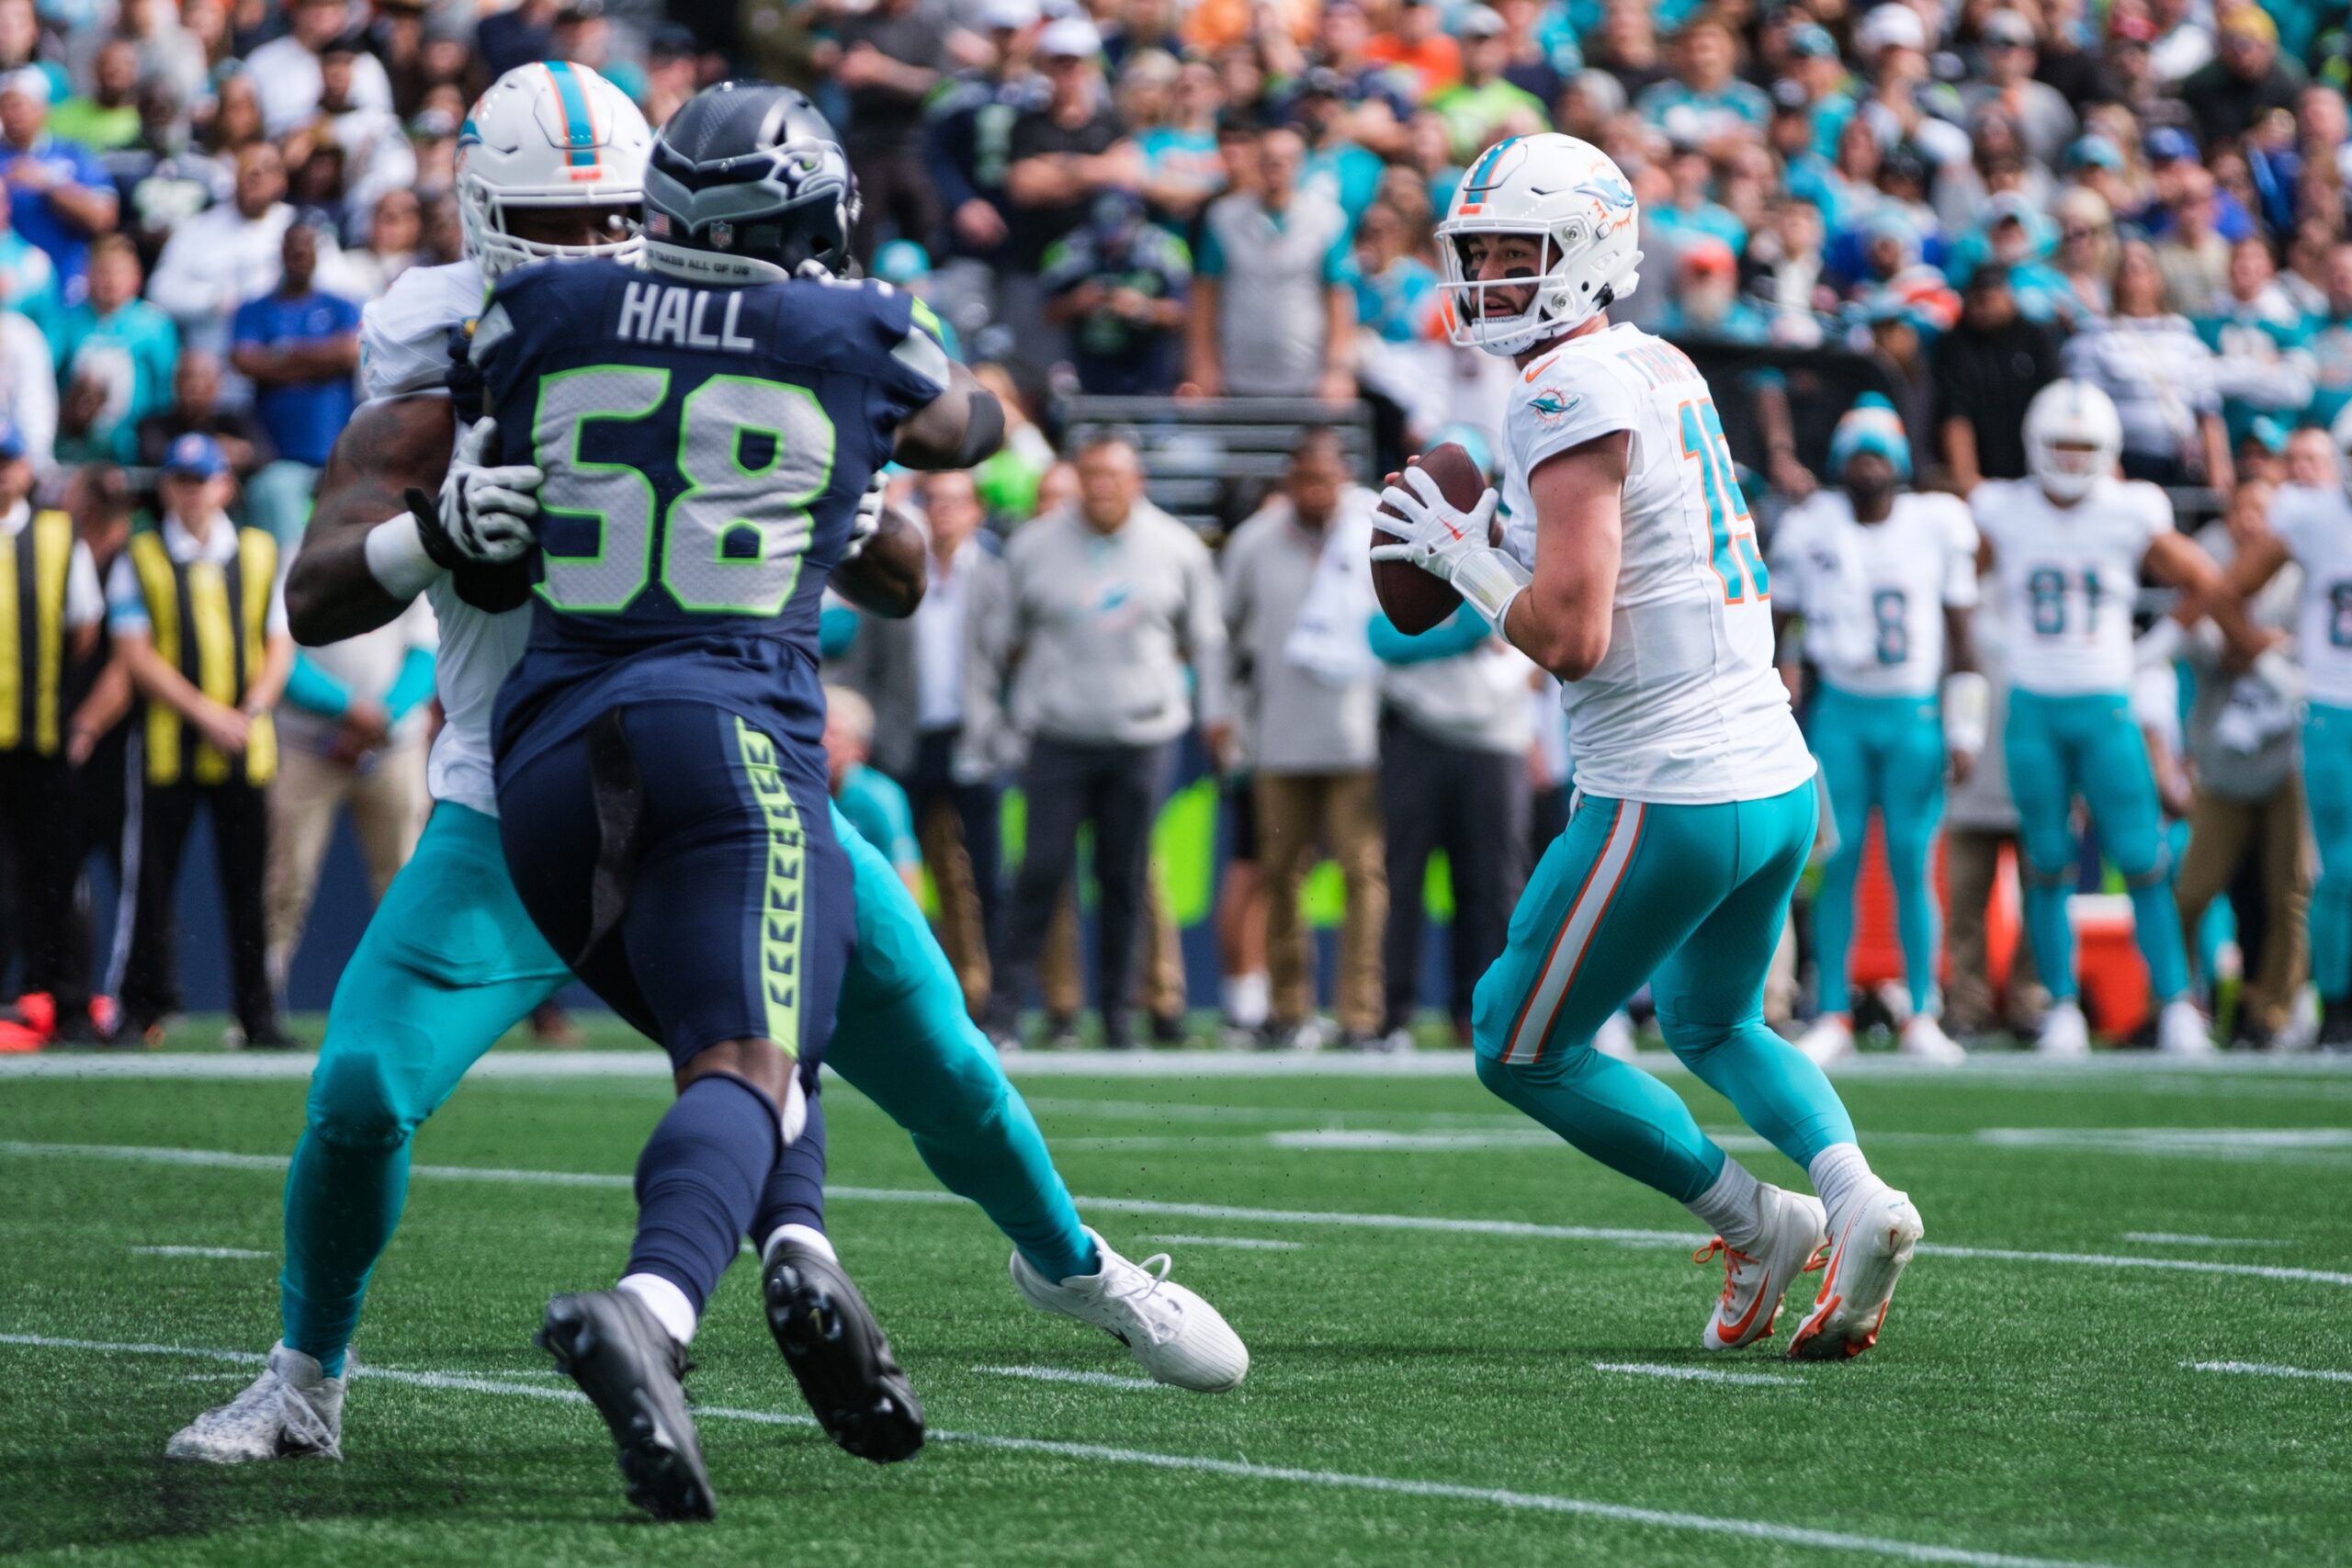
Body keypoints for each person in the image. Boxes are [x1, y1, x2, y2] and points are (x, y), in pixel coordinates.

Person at [476, 83, 1246, 1517]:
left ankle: (810, 1256)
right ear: (814, 216)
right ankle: (654, 1303)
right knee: (756, 1061)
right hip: (729, 741)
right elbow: (967, 429)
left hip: (546, 769)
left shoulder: (544, 312)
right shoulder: (852, 327)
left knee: (760, 1035)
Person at [1372, 132, 1921, 1360]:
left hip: (1663, 787)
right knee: (1716, 1019)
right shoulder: (1657, 362)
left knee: (1518, 1038)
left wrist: (1458, 556)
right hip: (1775, 773)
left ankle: (1758, 1220)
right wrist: (1485, 537)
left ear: (1594, 252)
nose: (1495, 277)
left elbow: (1570, 634)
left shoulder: (1561, 389)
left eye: (1524, 252)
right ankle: (1855, 1196)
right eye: (1483, 252)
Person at [1970, 380, 2245, 1056]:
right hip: (2032, 706)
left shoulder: (2130, 509)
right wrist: (1990, 632)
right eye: (2059, 445)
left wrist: (2158, 645)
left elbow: (2208, 579)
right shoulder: (2003, 509)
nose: (2069, 459)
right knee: (2047, 860)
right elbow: (1958, 583)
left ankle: (2177, 1002)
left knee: (2143, 854)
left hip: (2105, 701)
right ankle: (2062, 1005)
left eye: (2083, 447)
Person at [988, 435, 1227, 1050]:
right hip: (1058, 732)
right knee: (1039, 871)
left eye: (1113, 474)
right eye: (1090, 473)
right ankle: (1008, 1009)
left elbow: (1205, 639)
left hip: (1143, 733)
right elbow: (1004, 643)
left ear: (1136, 480)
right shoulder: (1033, 544)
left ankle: (1120, 1012)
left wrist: (1217, 717)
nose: (1101, 485)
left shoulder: (1176, 547)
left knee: (1125, 877)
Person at [1771, 399, 1981, 1065]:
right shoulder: (1812, 525)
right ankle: (1831, 1007)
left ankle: (1922, 1009)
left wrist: (1966, 725)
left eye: (1878, 453)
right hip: (1840, 713)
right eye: (1857, 453)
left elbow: (1963, 637)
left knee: (1913, 862)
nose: (1868, 465)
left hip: (1913, 713)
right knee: (1838, 861)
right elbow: (1778, 627)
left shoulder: (1935, 523)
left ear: (1897, 461)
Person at [103, 433, 293, 1048]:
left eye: (202, 478)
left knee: (249, 889)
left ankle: (257, 1015)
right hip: (169, 748)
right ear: (166, 488)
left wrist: (254, 706)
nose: (191, 491)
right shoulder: (143, 555)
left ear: (225, 485)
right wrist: (209, 713)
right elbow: (136, 653)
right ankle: (141, 1008)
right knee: (152, 887)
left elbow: (279, 642)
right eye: (181, 480)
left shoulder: (261, 552)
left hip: (246, 744)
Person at [1220, 429, 1386, 1049]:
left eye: (1327, 478)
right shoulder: (1254, 543)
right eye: (1306, 479)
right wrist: (1221, 714)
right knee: (1281, 873)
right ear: (1290, 482)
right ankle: (1289, 1008)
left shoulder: (1372, 531)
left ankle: (1360, 1013)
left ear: (1342, 478)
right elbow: (1221, 635)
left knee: (1363, 874)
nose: (1317, 490)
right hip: (1280, 739)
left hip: (1356, 738)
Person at [2158, 479, 2307, 1047]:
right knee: (2193, 889)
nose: (2251, 521)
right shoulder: (2211, 566)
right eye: (2243, 508)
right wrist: (2254, 643)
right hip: (2224, 759)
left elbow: (2313, 651)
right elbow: (2199, 641)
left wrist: (2254, 645)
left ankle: (2273, 1010)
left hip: (2289, 754)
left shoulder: (2301, 565)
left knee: (2288, 891)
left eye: (2262, 511)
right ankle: (2176, 999)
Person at [2220, 406, 2352, 1046]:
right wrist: (2272, 663)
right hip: (2332, 707)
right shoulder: (2313, 516)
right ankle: (2337, 1006)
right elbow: (2229, 589)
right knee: (2341, 869)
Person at [263, 592, 434, 1002]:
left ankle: (407, 1005)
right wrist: (346, 709)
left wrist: (380, 719)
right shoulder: (293, 562)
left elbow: (426, 655)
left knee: (404, 884)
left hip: (395, 748)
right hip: (308, 746)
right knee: (285, 882)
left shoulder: (409, 555)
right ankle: (261, 1006)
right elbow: (278, 655)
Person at [0, 420, 103, 1042]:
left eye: (8, 462)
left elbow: (83, 626)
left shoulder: (58, 536)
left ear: (27, 470)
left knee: (54, 869)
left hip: (40, 735)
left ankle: (57, 997)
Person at [1189, 123, 1355, 400]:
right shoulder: (1223, 217)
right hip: (1236, 372)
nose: (1276, 168)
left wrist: (1337, 369)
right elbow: (1205, 292)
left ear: (1301, 165)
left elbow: (1338, 296)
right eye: (1268, 160)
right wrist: (1202, 363)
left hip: (1306, 375)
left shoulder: (1328, 220)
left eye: (1285, 160)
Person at [230, 221, 360, 547]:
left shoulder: (340, 305)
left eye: (307, 248)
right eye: (293, 248)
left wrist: (281, 354)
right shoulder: (255, 308)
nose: (300, 254)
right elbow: (245, 361)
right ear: (281, 254)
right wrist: (320, 364)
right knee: (283, 544)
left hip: (336, 455)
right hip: (277, 456)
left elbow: (348, 353)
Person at [1931, 260, 2060, 492]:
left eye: (1992, 296)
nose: (1984, 306)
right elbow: (1955, 413)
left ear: (2008, 295)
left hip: (2035, 469)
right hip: (1982, 471)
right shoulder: (1953, 344)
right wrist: (1969, 483)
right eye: (1978, 298)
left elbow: (2053, 402)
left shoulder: (2035, 338)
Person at [0, 68, 117, 308]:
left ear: (45, 108)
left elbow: (104, 217)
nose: (16, 113)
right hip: (12, 291)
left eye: (23, 105)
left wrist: (48, 185)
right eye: (8, 106)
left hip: (70, 287)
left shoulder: (74, 155)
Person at [823, 683, 922, 899]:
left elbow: (905, 870)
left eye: (834, 734)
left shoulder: (881, 797)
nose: (823, 742)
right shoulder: (803, 789)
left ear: (859, 749)